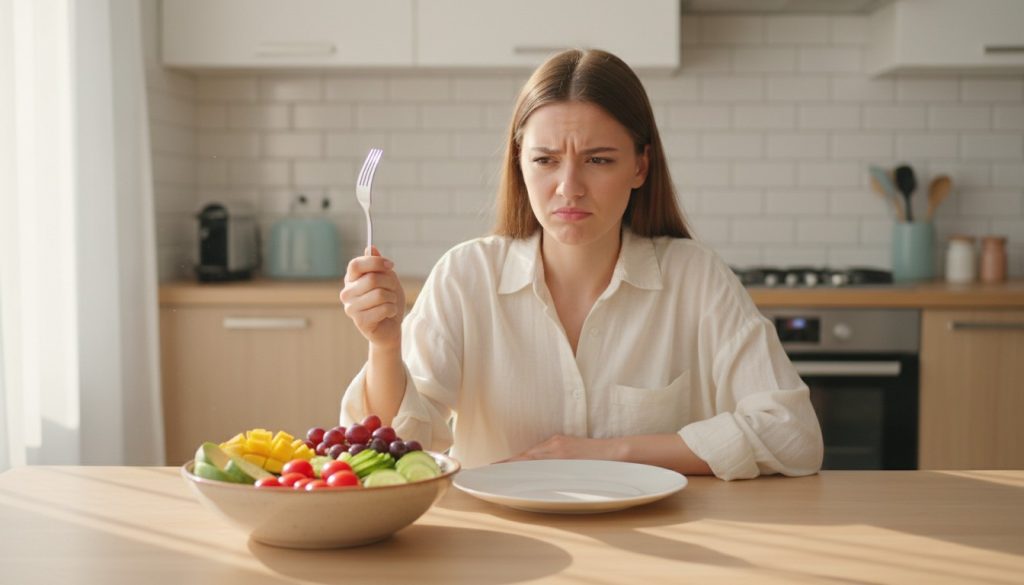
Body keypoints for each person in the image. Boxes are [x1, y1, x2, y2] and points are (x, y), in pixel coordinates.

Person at [339, 48, 823, 480]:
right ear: (520, 163)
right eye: (546, 160)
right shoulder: (466, 277)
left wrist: (612, 453)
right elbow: (395, 451)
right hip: (501, 550)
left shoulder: (695, 277)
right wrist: (385, 345)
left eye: (598, 160)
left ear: (640, 166)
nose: (569, 187)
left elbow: (793, 435)